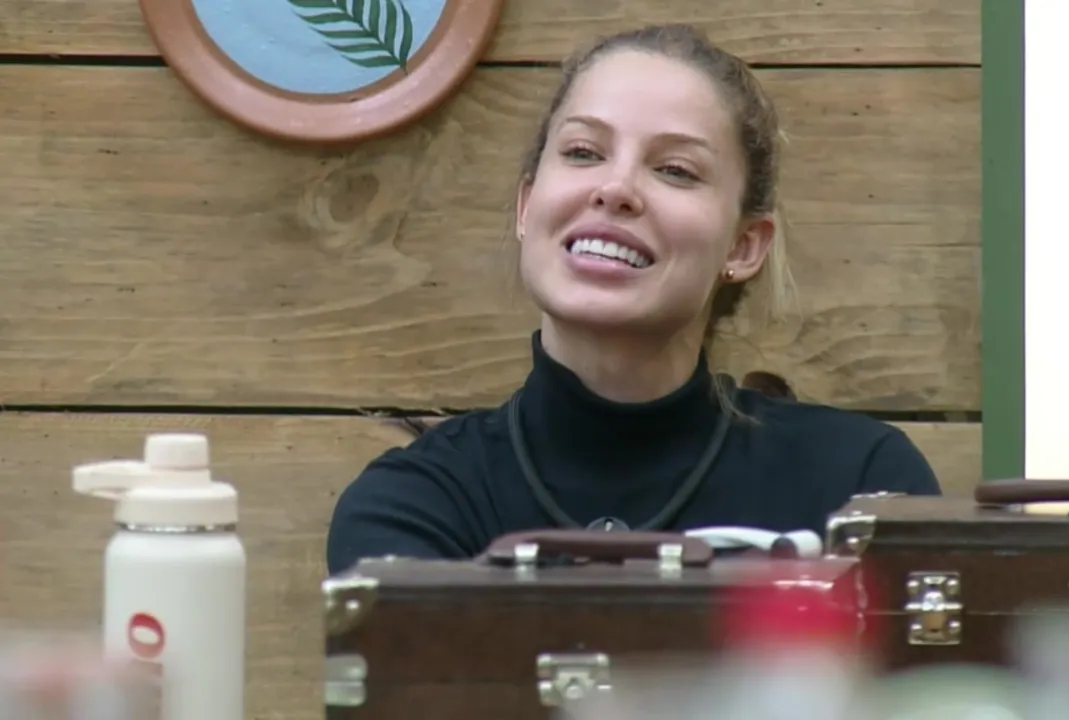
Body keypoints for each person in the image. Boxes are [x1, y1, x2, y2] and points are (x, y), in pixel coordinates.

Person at [325, 24, 941, 575]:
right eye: (583, 153)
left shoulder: (861, 485)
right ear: (527, 207)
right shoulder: (413, 507)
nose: (616, 188)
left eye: (675, 170)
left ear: (744, 245)